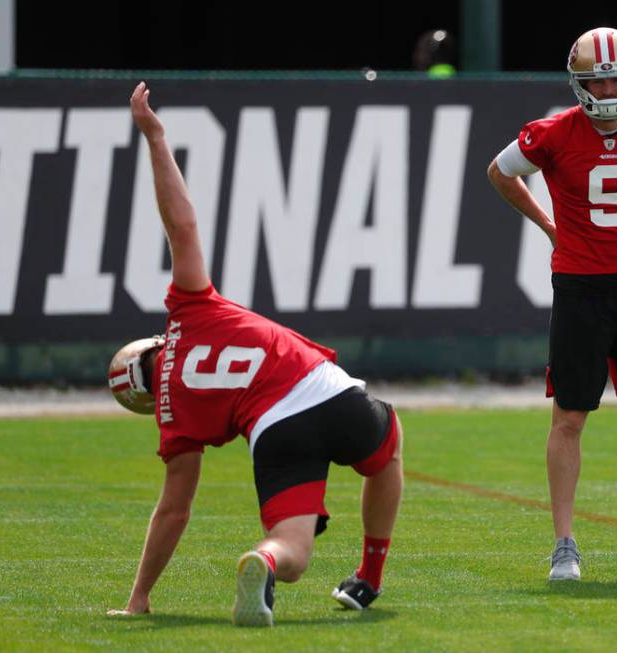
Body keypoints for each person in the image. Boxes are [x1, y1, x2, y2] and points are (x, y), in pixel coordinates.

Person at [105, 82, 403, 626]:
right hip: (320, 387)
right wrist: (155, 136)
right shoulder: (188, 313)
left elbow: (174, 510)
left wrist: (140, 596)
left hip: (274, 433)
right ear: (150, 346)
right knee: (387, 445)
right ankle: (369, 578)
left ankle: (265, 561)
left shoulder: (174, 420)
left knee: (293, 553)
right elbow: (182, 223)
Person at [487, 27, 617, 581]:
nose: (607, 88)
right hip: (580, 288)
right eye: (597, 79)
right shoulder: (553, 133)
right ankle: (564, 545)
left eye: (616, 77)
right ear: (579, 82)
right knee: (570, 416)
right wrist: (548, 225)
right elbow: (500, 171)